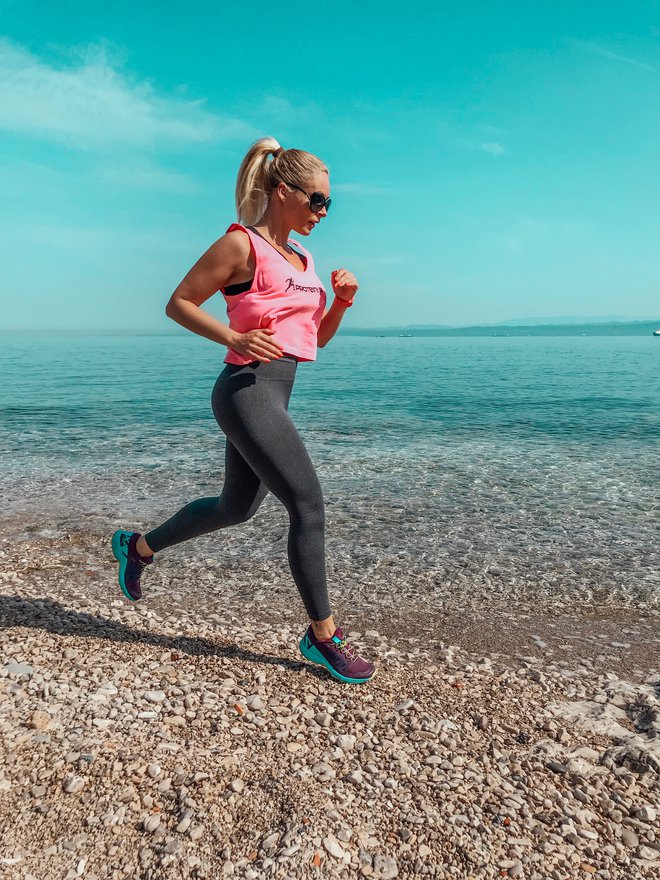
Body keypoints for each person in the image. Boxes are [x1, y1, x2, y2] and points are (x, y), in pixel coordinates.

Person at [112, 137, 376, 684]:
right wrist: (233, 335)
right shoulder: (241, 246)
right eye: (318, 201)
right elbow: (178, 302)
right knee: (308, 507)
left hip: (274, 391)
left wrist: (343, 302)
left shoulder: (303, 259)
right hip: (244, 391)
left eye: (329, 205)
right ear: (285, 191)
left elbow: (315, 341)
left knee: (237, 509)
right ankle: (322, 637)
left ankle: (136, 548)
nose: (323, 214)